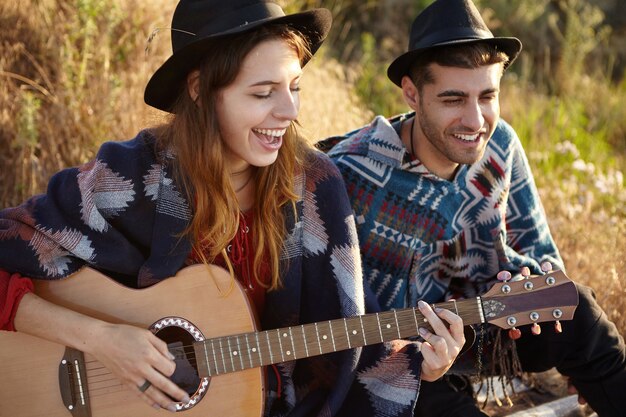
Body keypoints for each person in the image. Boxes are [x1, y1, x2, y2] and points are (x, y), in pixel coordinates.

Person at [0, 1, 466, 416]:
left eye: (294, 87)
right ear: (201, 89)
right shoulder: (126, 178)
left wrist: (419, 364)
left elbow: (344, 332)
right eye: (263, 93)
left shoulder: (315, 186)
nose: (288, 112)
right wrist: (101, 339)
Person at [320, 0, 626, 416]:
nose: (475, 119)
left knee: (581, 308)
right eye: (453, 99)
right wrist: (420, 360)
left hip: (485, 322)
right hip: (401, 356)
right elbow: (334, 321)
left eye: (487, 96)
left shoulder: (501, 146)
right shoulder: (350, 173)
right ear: (412, 93)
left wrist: (526, 277)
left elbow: (542, 255)